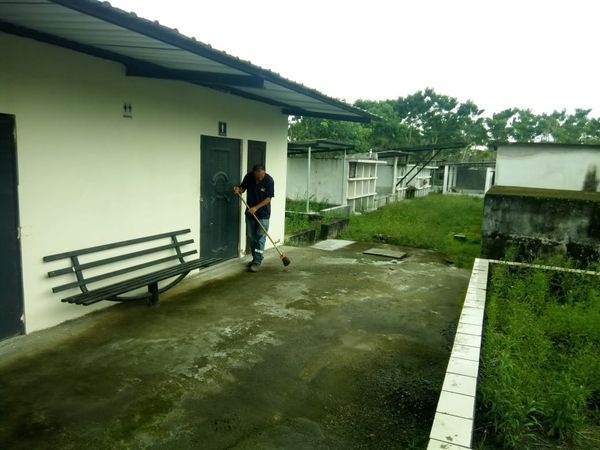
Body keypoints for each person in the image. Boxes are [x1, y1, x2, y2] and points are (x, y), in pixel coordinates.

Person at [233, 164, 274, 272]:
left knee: (260, 237)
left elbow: (268, 199)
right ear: (254, 173)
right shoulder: (248, 177)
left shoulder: (269, 180)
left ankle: (257, 261)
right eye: (258, 176)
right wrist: (238, 189)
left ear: (264, 172)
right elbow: (243, 188)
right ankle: (255, 258)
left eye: (262, 176)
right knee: (252, 237)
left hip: (263, 214)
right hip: (250, 213)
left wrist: (256, 207)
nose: (260, 178)